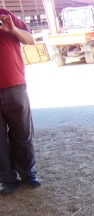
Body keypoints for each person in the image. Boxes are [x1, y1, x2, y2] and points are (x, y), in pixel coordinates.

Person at [0, 9, 41, 196]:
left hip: (14, 86)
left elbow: (30, 40)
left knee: (23, 133)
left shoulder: (6, 15)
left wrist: (13, 29)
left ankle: (27, 175)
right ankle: (7, 179)